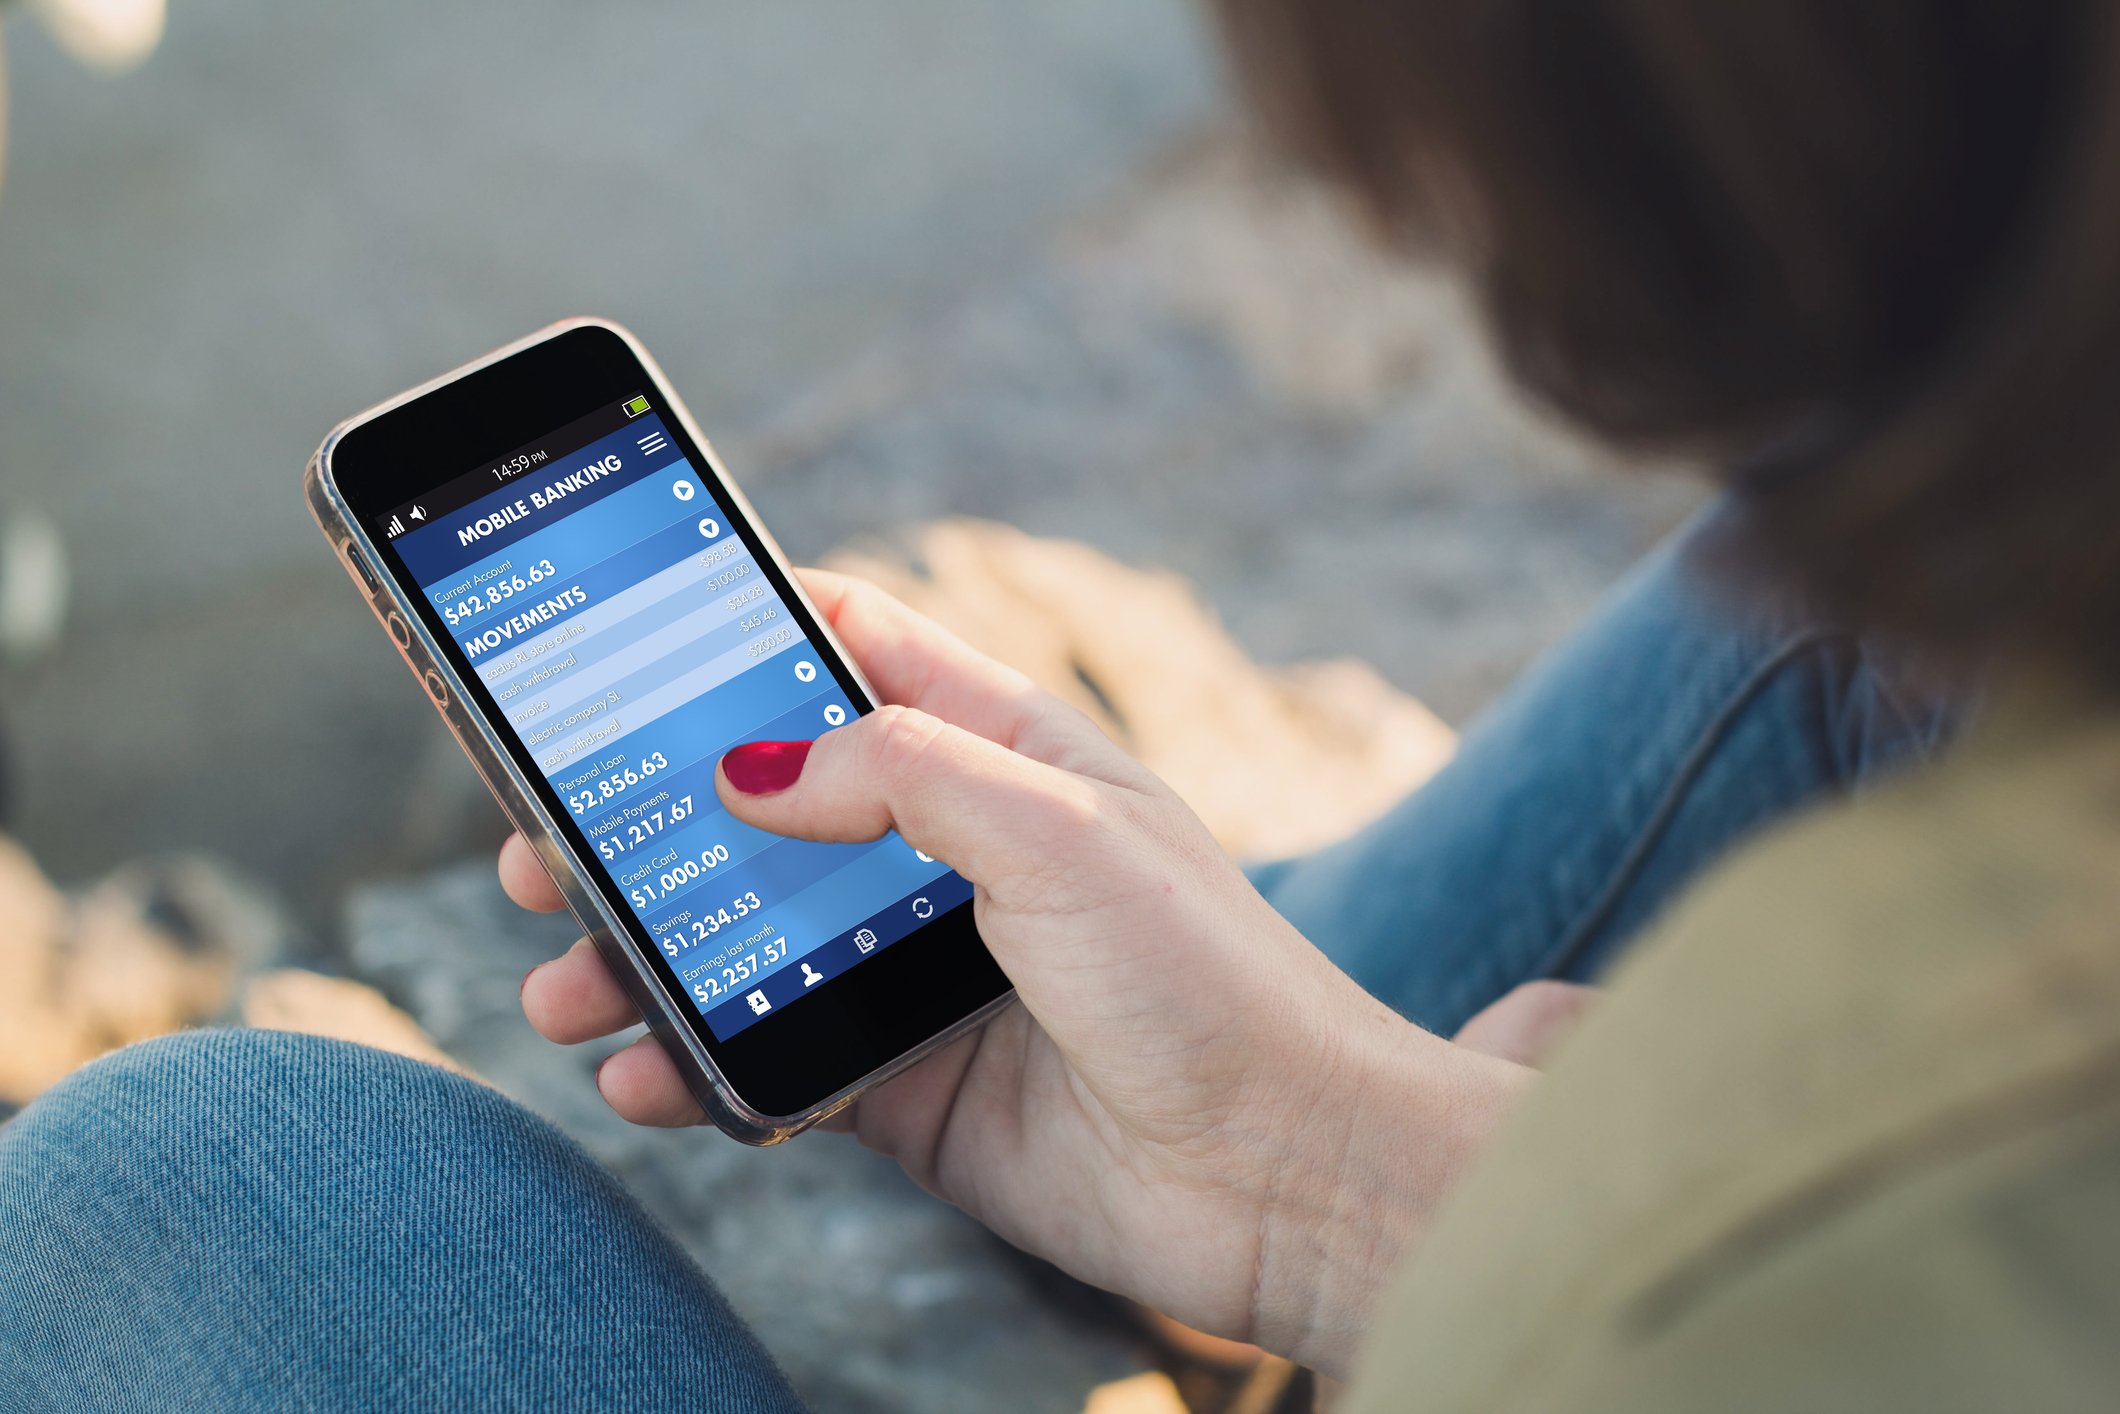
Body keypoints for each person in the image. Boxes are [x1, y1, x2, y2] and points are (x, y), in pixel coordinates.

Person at [8, 3, 2119, 1410]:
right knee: (1850, 589)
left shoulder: (1817, 1276)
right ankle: (1260, 985)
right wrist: (1351, 1178)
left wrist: (1548, 1246)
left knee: (194, 1172)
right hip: (1447, 1192)